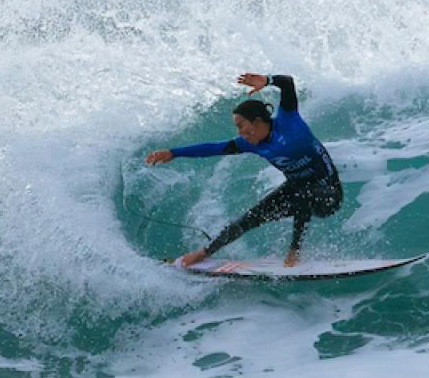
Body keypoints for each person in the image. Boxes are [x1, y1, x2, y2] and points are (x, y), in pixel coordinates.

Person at [146, 72, 343, 268]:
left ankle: (294, 251)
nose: (239, 133)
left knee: (303, 193)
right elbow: (212, 148)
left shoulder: (288, 121)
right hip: (298, 187)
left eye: (241, 126)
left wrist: (267, 81)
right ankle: (204, 253)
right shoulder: (250, 143)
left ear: (257, 122)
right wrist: (174, 153)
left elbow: (288, 83)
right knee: (249, 218)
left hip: (329, 194)